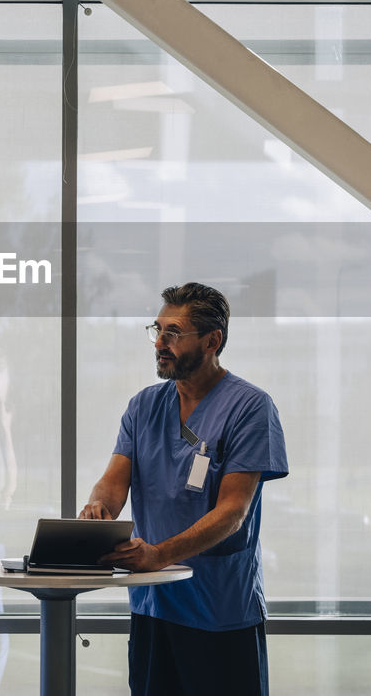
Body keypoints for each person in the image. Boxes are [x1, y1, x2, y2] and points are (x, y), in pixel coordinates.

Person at [79, 282, 288, 696]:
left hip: (219, 610)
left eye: (174, 333)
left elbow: (233, 512)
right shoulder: (144, 406)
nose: (160, 342)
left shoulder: (250, 408)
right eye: (157, 330)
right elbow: (113, 483)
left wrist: (158, 555)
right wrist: (98, 508)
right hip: (153, 606)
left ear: (213, 340)